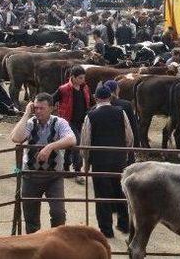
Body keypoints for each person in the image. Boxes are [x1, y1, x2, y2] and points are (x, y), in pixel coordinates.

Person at [10, 93, 76, 234]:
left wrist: (50, 146)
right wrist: (27, 113)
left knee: (58, 213)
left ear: (51, 108)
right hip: (30, 176)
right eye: (36, 108)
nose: (38, 111)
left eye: (42, 108)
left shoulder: (59, 123)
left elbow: (71, 139)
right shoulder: (30, 123)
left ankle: (56, 243)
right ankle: (35, 246)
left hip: (53, 176)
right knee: (31, 217)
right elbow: (16, 137)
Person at [80, 86, 133, 238]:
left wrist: (86, 163)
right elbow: (129, 136)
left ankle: (106, 230)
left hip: (100, 161)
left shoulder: (91, 115)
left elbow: (86, 142)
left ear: (96, 98)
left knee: (102, 196)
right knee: (120, 192)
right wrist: (126, 153)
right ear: (110, 97)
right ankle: (124, 224)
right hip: (119, 160)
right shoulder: (120, 112)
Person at [52, 65, 91, 184]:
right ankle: (78, 172)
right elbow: (52, 100)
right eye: (80, 78)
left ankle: (65, 167)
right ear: (72, 77)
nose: (82, 80)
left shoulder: (85, 88)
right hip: (68, 122)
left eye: (83, 77)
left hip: (81, 121)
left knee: (70, 145)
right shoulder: (63, 89)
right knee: (77, 143)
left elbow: (90, 103)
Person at [103, 79, 139, 150]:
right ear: (117, 90)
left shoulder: (99, 107)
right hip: (122, 142)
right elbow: (133, 125)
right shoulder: (126, 105)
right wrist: (136, 143)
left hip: (104, 144)